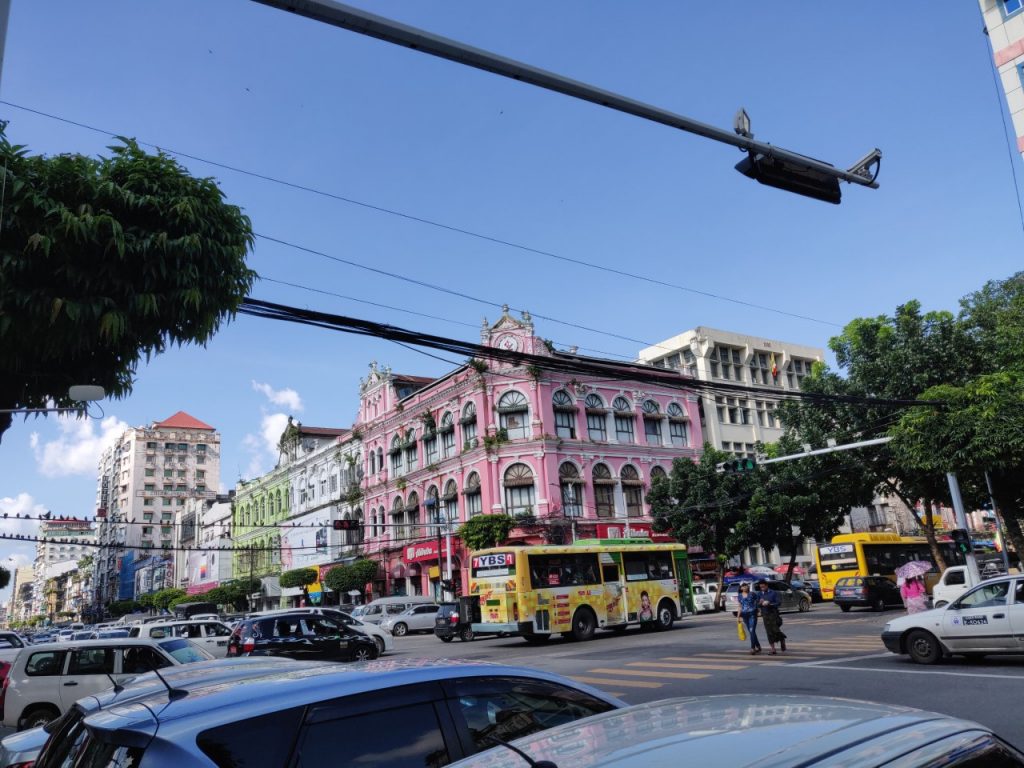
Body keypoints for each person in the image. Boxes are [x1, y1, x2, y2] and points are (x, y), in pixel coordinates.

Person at [756, 580, 787, 655]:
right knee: (768, 632)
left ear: (767, 585)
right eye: (761, 587)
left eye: (763, 587)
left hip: (773, 614)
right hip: (765, 615)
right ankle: (773, 649)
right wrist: (760, 603)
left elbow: (778, 603)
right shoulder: (759, 594)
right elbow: (757, 604)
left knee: (775, 630)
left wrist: (770, 603)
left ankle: (782, 638)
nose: (762, 588)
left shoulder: (773, 593)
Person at [737, 583, 761, 655]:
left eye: (746, 585)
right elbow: (740, 606)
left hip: (752, 614)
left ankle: (752, 648)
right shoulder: (739, 596)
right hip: (744, 615)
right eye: (743, 586)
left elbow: (758, 602)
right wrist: (738, 616)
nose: (745, 587)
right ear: (741, 588)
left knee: (752, 630)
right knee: (751, 631)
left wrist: (759, 610)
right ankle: (758, 646)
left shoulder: (752, 594)